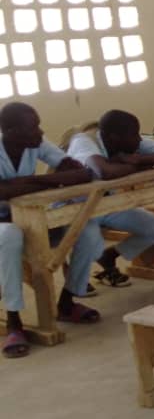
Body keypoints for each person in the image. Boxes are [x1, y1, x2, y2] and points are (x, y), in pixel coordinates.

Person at [1, 103, 102, 358]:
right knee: (9, 234)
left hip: (31, 219)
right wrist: (48, 180)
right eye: (32, 127)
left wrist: (31, 182)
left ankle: (67, 302)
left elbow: (80, 173)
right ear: (10, 131)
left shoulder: (37, 144)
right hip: (6, 226)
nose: (40, 131)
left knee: (87, 226)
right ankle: (14, 320)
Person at [66, 110, 154, 287]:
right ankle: (75, 276)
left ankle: (108, 257)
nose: (139, 140)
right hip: (75, 209)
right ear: (115, 137)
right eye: (134, 135)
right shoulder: (84, 141)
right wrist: (141, 165)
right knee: (90, 241)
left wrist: (137, 160)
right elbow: (104, 172)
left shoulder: (129, 144)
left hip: (108, 204)